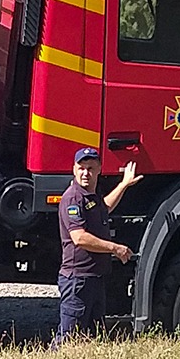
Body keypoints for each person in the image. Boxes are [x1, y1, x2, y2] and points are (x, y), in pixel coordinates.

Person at [54, 148, 141, 347]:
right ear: (74, 170)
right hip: (78, 280)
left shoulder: (90, 197)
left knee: (92, 339)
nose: (85, 173)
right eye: (81, 168)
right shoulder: (73, 198)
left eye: (90, 168)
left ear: (99, 169)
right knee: (69, 340)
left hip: (94, 278)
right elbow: (79, 238)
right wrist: (114, 248)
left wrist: (124, 184)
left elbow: (104, 208)